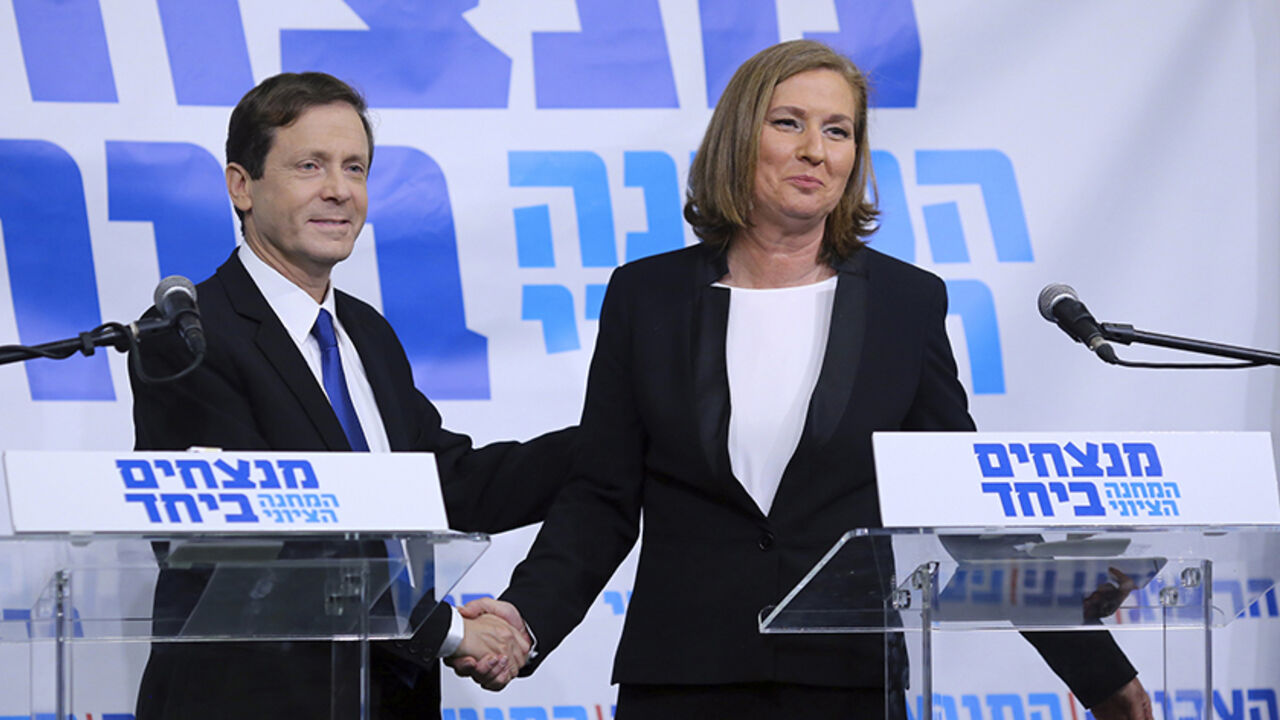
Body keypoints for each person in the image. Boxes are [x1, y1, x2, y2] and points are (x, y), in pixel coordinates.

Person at [449, 40, 1152, 720]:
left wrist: (1099, 674)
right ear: (737, 139)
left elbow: (962, 503)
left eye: (838, 131)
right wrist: (524, 622)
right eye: (789, 123)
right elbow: (601, 495)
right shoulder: (646, 297)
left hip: (846, 681)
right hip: (681, 679)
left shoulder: (904, 305)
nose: (817, 149)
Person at [129, 72, 574, 719]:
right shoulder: (187, 335)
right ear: (241, 185)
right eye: (310, 165)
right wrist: (449, 631)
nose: (339, 189)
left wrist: (615, 434)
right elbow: (254, 545)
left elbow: (444, 483)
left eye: (355, 167)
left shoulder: (365, 332)